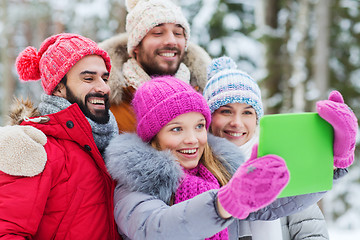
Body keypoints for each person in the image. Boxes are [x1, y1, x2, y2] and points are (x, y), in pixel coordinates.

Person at [104, 76, 334, 240]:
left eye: (199, 126)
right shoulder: (133, 185)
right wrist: (223, 203)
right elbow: (156, 228)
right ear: (153, 136)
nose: (193, 139)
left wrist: (333, 162)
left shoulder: (218, 172)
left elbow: (276, 202)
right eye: (177, 129)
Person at [202, 56, 358, 240]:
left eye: (247, 112)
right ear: (209, 117)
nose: (237, 123)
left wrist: (334, 160)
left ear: (256, 119)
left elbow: (310, 229)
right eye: (226, 111)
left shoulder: (279, 162)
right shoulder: (196, 169)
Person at [0, 33, 121, 239]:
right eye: (88, 78)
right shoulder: (33, 146)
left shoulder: (110, 145)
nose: (103, 87)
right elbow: (8, 231)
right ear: (58, 87)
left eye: (105, 77)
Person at [98, 0, 211, 133]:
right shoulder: (106, 105)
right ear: (136, 47)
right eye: (158, 33)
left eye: (178, 33)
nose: (171, 41)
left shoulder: (206, 99)